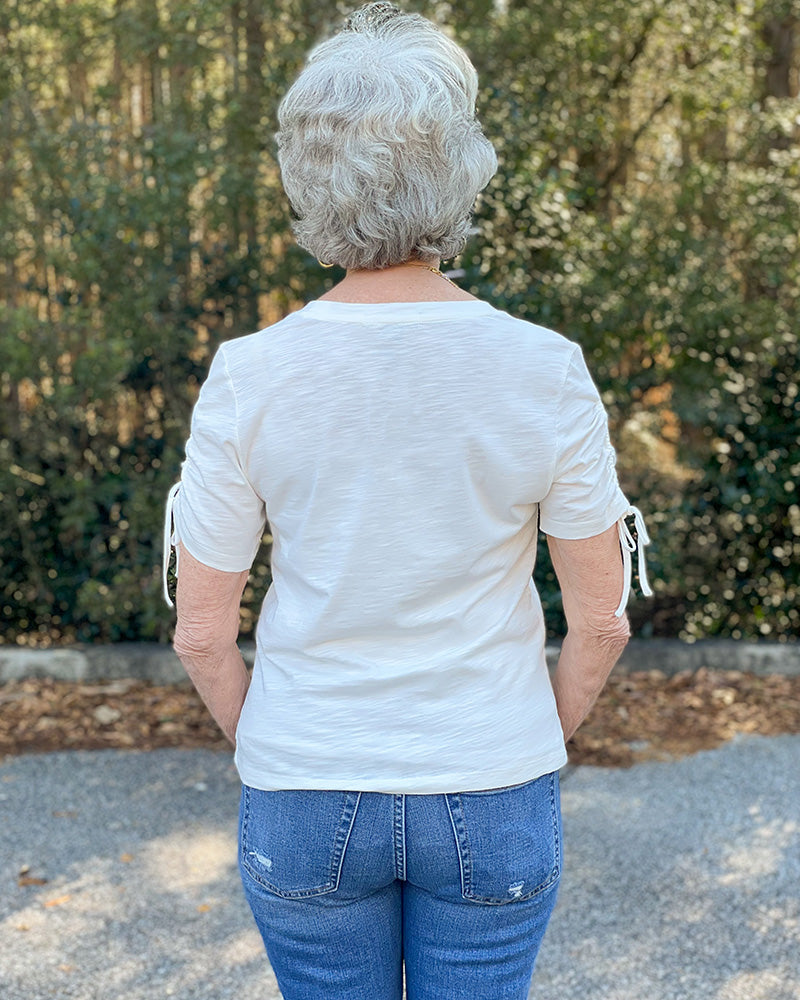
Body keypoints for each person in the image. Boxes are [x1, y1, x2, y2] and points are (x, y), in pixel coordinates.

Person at [162, 4, 651, 998]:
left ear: (306, 177)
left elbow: (202, 635)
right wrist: (528, 743)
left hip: (303, 789)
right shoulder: (544, 371)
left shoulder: (250, 375)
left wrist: (284, 748)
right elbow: (600, 621)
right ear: (461, 172)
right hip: (491, 784)